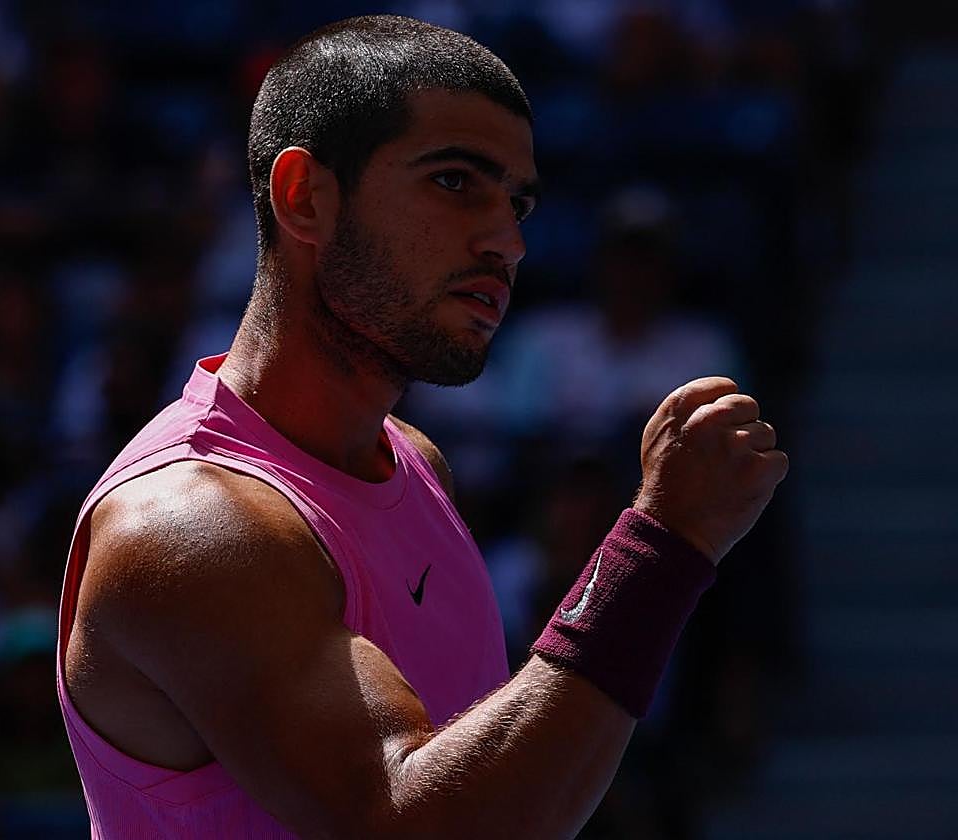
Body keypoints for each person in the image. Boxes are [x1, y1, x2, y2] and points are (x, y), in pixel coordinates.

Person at [55, 15, 788, 838]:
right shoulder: (190, 523)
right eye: (453, 183)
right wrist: (663, 544)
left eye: (517, 203)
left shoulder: (417, 465)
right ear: (305, 197)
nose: (506, 241)